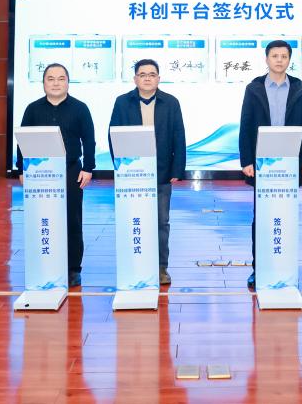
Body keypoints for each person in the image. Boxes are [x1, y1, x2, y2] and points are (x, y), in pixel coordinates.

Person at [238, 39, 302, 288]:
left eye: (284, 56)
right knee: (261, 217)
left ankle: (286, 267)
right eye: (275, 56)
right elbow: (245, 125)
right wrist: (246, 160)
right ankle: (258, 268)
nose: (279, 60)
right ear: (267, 59)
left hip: (290, 162)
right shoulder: (254, 88)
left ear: (289, 60)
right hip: (262, 163)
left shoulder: (299, 88)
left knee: (287, 216)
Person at [108, 59, 186, 285]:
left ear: (158, 79)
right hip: (132, 174)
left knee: (161, 222)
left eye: (152, 74)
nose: (147, 78)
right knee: (133, 219)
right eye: (143, 75)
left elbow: (179, 136)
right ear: (135, 79)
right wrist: (120, 166)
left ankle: (161, 267)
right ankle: (134, 264)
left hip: (161, 172)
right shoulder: (122, 102)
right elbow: (113, 135)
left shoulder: (171, 102)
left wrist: (177, 168)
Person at [18, 63, 95, 287]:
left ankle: (73, 268)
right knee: (41, 218)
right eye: (50, 79)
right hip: (39, 173)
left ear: (68, 82)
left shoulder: (80, 108)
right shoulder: (32, 109)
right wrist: (21, 168)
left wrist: (88, 168)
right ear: (43, 83)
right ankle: (43, 263)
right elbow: (22, 140)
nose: (55, 83)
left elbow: (89, 139)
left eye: (61, 79)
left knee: (72, 220)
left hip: (70, 171)